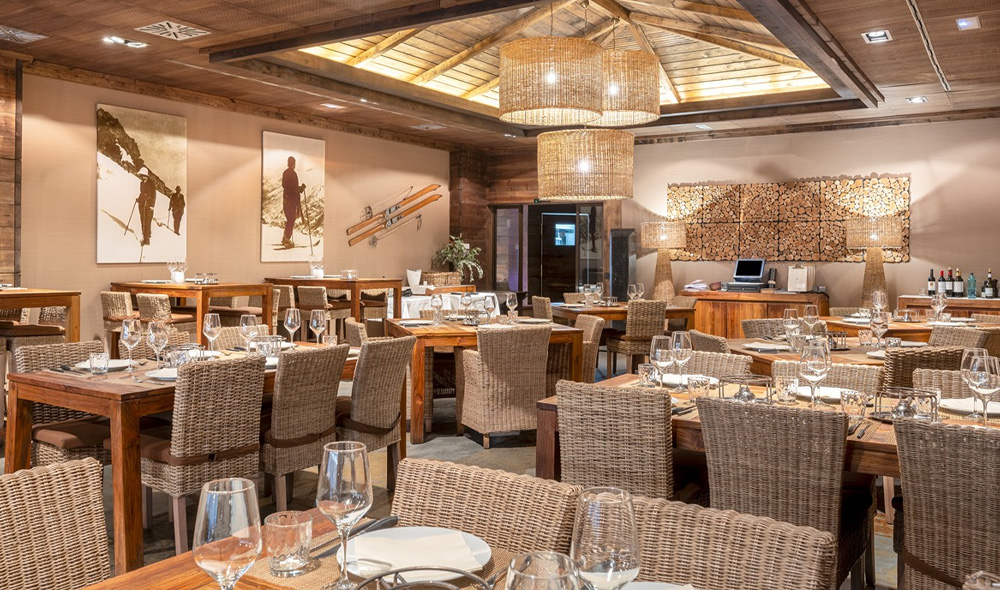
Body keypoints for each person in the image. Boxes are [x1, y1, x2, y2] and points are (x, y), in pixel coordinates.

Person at [281, 156, 306, 249]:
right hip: (292, 200)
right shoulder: (293, 174)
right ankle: (287, 239)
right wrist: (301, 188)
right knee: (291, 219)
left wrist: (295, 189)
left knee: (289, 219)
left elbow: (284, 185)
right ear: (293, 164)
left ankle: (285, 237)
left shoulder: (285, 173)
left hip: (285, 199)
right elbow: (295, 189)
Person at [136, 166, 156, 246]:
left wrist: (152, 205)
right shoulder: (141, 183)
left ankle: (146, 240)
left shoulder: (151, 184)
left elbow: (153, 195)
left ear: (146, 175)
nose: (142, 177)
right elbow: (142, 193)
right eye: (141, 175)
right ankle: (145, 236)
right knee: (143, 220)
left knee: (147, 222)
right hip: (142, 205)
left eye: (143, 175)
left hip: (148, 206)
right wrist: (139, 199)